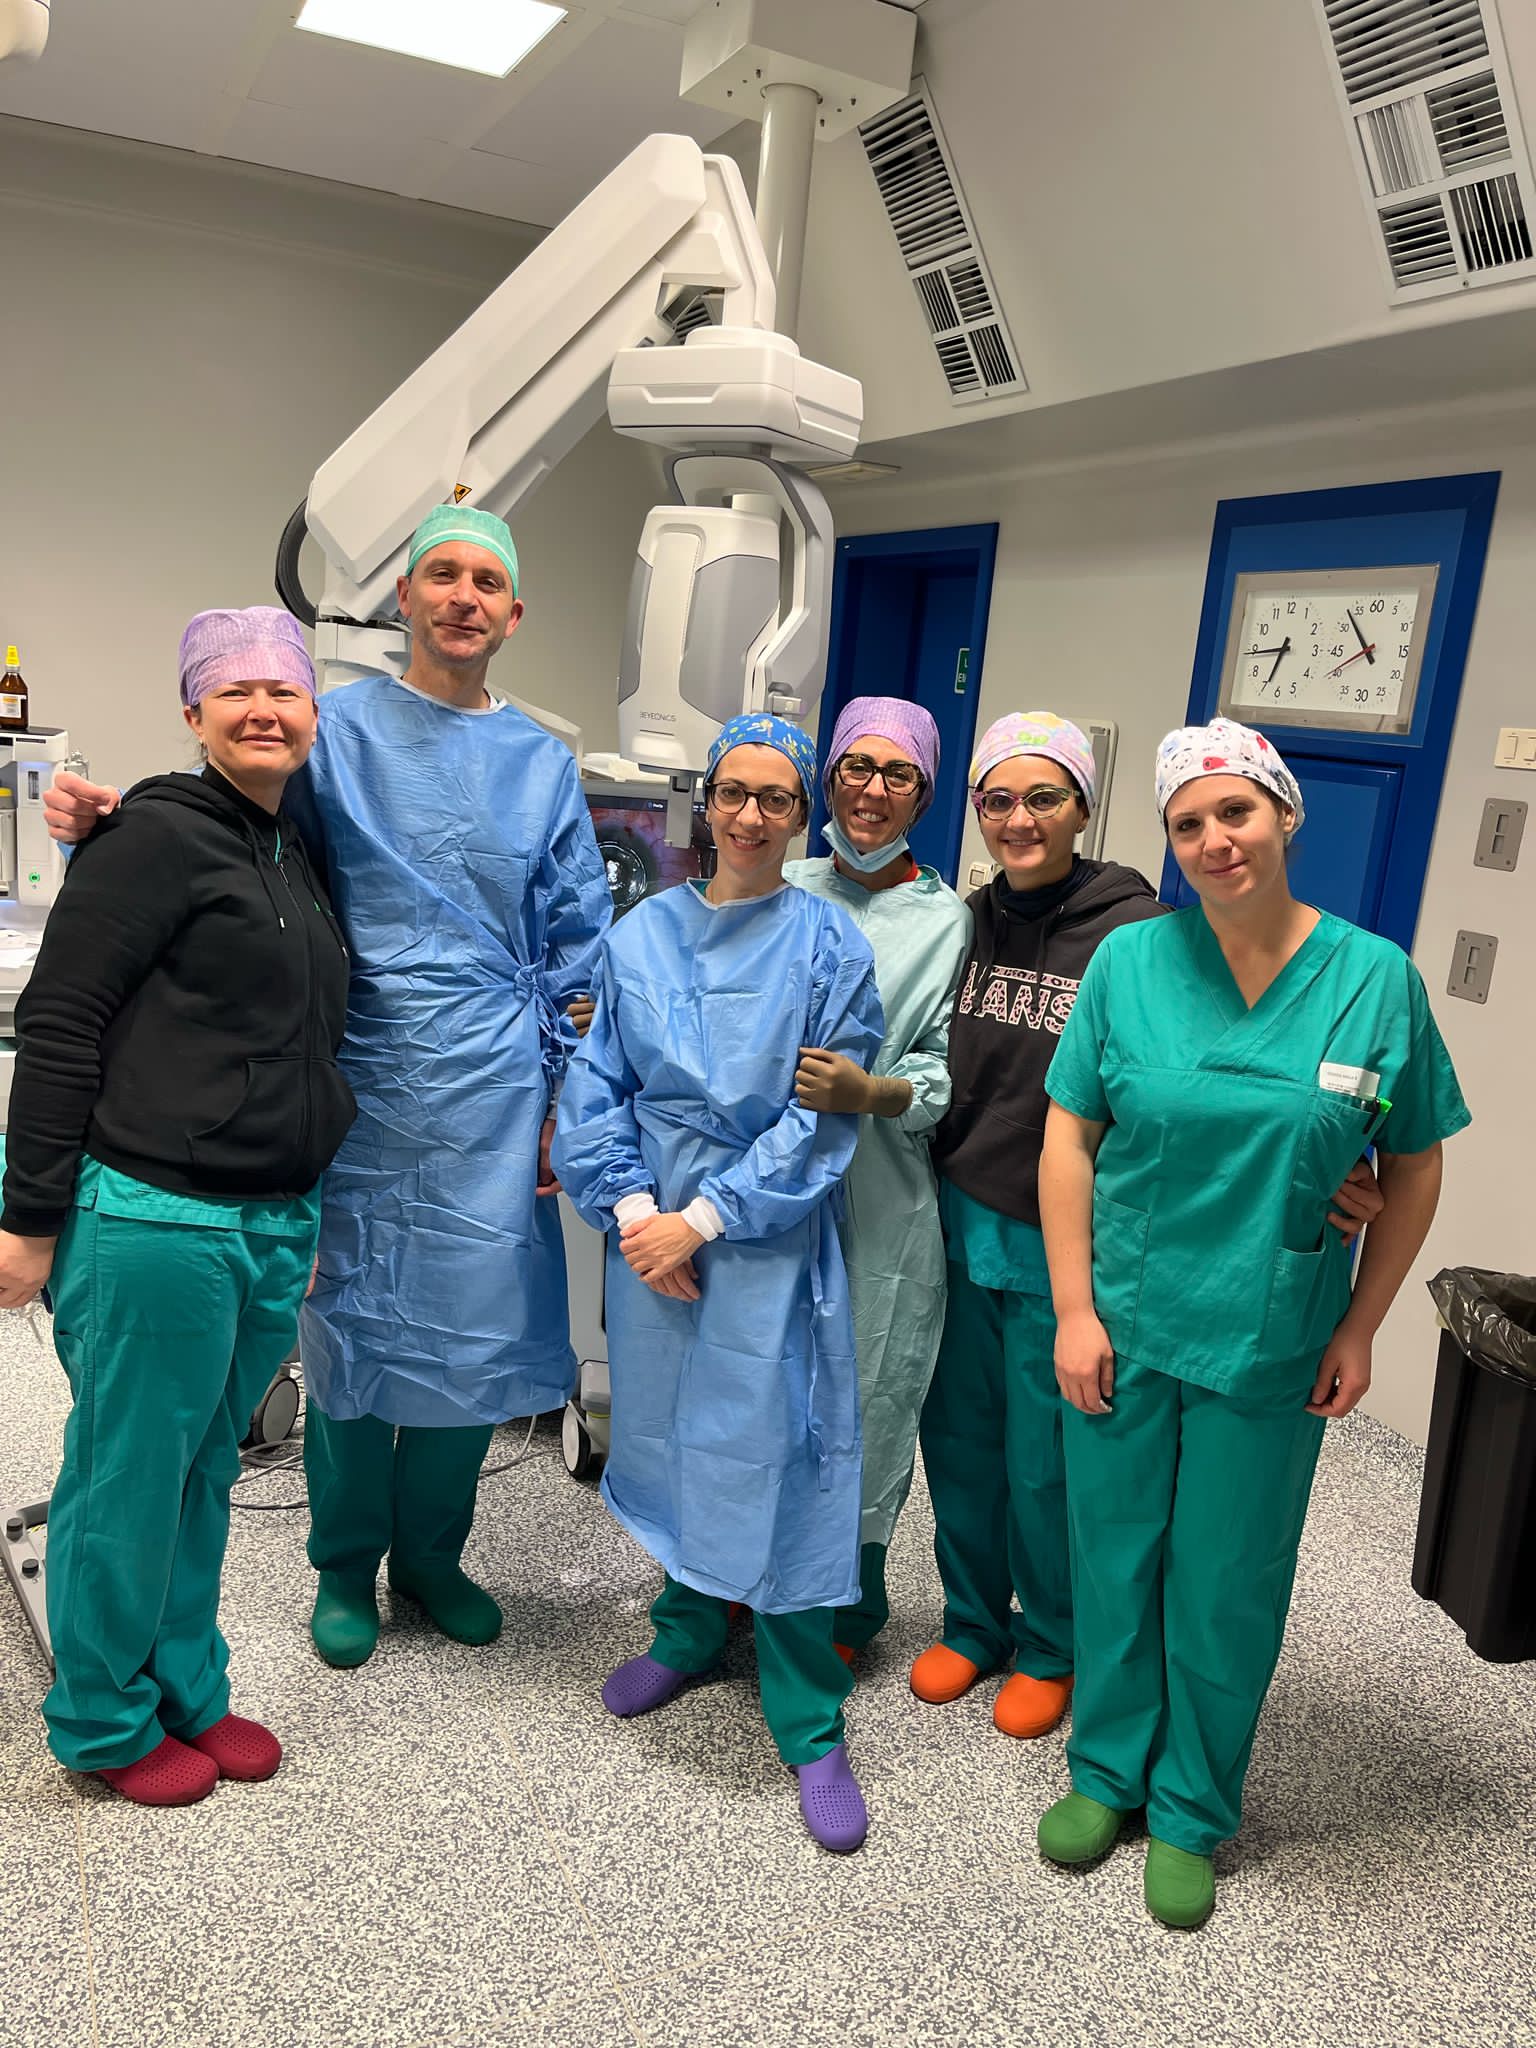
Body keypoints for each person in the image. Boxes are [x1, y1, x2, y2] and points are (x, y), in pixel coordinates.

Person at [42, 506, 612, 1671]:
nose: (462, 595)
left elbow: (576, 942)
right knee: (355, 1321)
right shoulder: (333, 728)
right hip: (357, 1072)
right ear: (404, 598)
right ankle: (346, 1562)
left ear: (513, 612)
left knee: (472, 1330)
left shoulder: (544, 762)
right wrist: (112, 816)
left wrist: (570, 1100)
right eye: (441, 573)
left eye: (486, 579)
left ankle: (434, 1556)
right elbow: (228, 826)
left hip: (496, 1083)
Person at [1036, 716, 1469, 1930]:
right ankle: (1105, 1771)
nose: (1214, 838)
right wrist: (1072, 1306)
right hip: (1124, 1314)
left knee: (1227, 1575)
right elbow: (1070, 1135)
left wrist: (1362, 1324)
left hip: (1272, 1327)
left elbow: (1415, 1161)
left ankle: (1189, 1804)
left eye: (1235, 811)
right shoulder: (1129, 963)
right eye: (1188, 823)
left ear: (1285, 815)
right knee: (1114, 1553)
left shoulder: (1374, 979)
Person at [909, 713, 1383, 1745]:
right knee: (960, 1440)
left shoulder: (1133, 933)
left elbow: (1201, 1087)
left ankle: (1052, 1643)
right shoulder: (963, 924)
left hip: (1067, 1241)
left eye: (1045, 797)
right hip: (958, 1214)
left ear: (1085, 806)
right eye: (998, 799)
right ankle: (973, 1619)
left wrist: (1327, 1166)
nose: (1021, 818)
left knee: (1049, 1461)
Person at [0, 609, 354, 1805]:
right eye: (234, 689)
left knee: (204, 1466)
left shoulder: (290, 847)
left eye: (284, 690)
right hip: (157, 1212)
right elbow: (59, 1023)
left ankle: (188, 1685)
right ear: (193, 712)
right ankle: (102, 1717)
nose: (262, 708)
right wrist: (29, 1216)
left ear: (313, 714)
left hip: (268, 1213)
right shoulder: (152, 834)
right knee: (129, 1474)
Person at [553, 713, 885, 1853]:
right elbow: (597, 1086)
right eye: (734, 792)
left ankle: (807, 1712)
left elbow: (823, 1114)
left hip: (765, 1235)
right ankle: (688, 1628)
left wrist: (704, 1218)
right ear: (707, 802)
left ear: (802, 815)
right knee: (668, 1435)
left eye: (776, 798)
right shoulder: (640, 934)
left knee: (778, 1450)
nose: (751, 815)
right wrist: (638, 1216)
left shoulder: (830, 946)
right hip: (650, 1233)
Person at [783, 696, 971, 1658]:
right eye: (857, 766)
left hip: (880, 1191)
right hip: (758, 1186)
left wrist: (878, 1090)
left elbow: (948, 1065)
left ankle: (850, 1604)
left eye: (899, 774)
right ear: (829, 778)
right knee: (755, 1385)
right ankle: (724, 1587)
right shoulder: (776, 881)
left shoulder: (948, 923)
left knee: (867, 1392)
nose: (872, 790)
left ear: (924, 797)